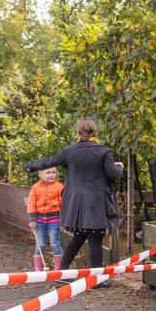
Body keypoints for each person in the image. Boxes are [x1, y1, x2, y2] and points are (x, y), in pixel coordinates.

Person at [24, 118, 123, 287]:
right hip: (96, 203)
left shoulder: (70, 150)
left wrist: (30, 166)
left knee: (79, 236)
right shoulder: (104, 151)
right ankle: (95, 280)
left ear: (78, 133)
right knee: (95, 238)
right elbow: (113, 176)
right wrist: (119, 167)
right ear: (95, 132)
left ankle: (63, 273)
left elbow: (49, 161)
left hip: (76, 203)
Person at [27, 167, 64, 271]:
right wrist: (32, 219)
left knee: (54, 243)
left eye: (53, 172)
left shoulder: (59, 187)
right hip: (39, 220)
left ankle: (58, 268)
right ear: (40, 175)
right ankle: (38, 268)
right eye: (48, 173)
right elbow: (31, 203)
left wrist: (63, 221)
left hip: (55, 220)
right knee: (40, 244)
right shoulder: (35, 187)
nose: (51, 175)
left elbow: (64, 203)